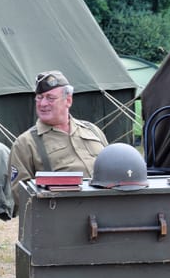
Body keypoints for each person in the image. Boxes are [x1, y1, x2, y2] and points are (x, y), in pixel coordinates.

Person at [8, 70, 108, 204]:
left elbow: (112, 170)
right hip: (62, 216)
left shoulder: (92, 130)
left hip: (105, 209)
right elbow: (21, 196)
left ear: (68, 100)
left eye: (50, 98)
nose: (42, 104)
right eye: (39, 97)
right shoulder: (25, 143)